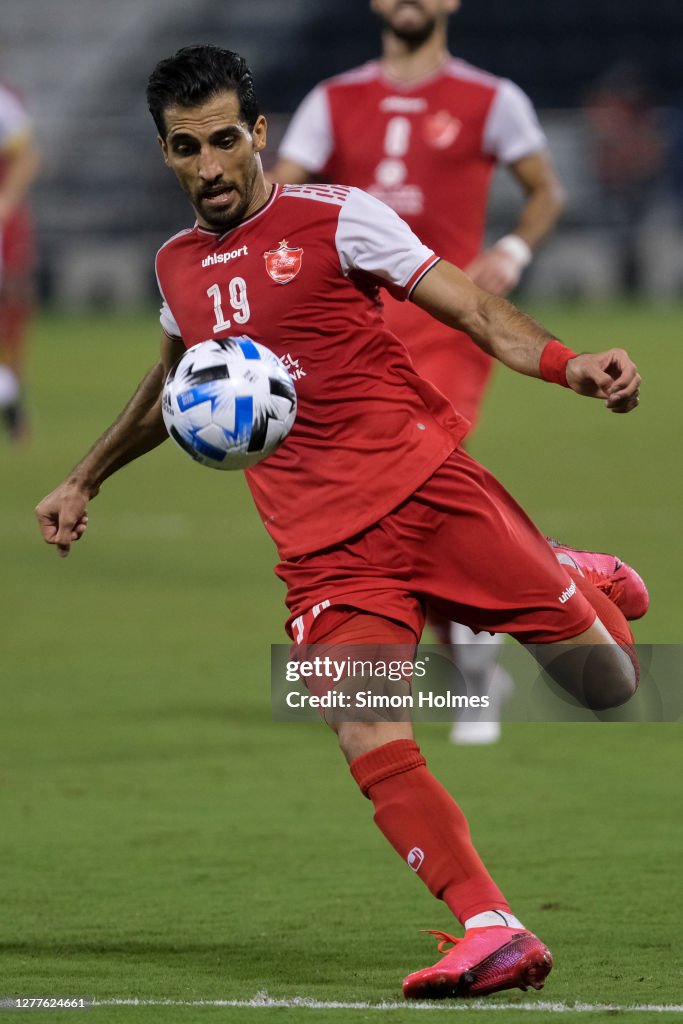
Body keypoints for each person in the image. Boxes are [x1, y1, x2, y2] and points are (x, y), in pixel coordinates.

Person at [35, 46, 646, 1001]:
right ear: (163, 153)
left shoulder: (338, 219)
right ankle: (491, 927)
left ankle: (575, 572)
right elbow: (170, 388)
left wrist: (570, 363)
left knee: (609, 685)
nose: (210, 166)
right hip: (321, 550)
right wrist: (84, 479)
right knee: (361, 724)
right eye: (186, 147)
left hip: (428, 493)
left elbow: (477, 312)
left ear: (260, 134)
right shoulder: (174, 267)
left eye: (226, 140)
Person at [270, 0, 568, 744]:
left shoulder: (491, 98)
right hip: (356, 334)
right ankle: (464, 662)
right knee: (389, 496)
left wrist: (512, 252)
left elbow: (545, 191)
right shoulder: (331, 100)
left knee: (425, 479)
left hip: (448, 321)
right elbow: (274, 193)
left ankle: (474, 670)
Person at [0, 79, 39, 441]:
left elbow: (27, 156)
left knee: (11, 308)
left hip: (4, 228)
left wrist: (6, 204)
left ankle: (13, 407)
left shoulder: (3, 105)